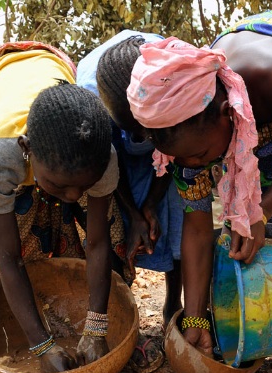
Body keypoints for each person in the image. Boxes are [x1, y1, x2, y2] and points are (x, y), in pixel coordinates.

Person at [128, 9, 272, 373]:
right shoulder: (184, 133)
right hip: (242, 116)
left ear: (228, 112)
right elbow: (195, 225)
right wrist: (195, 320)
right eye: (184, 158)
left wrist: (260, 211)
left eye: (198, 154)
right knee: (239, 220)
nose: (195, 163)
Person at [0, 42, 160, 373]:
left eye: (84, 185)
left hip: (52, 70)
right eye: (59, 185)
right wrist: (41, 347)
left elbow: (96, 244)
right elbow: (8, 258)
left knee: (109, 232)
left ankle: (117, 327)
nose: (74, 195)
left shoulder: (101, 158)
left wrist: (96, 329)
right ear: (28, 151)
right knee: (9, 248)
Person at [77, 30, 184, 329]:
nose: (143, 138)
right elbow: (107, 164)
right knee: (114, 223)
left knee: (178, 217)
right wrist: (135, 214)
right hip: (110, 150)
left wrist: (152, 202)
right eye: (136, 131)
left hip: (168, 136)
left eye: (147, 131)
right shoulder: (91, 103)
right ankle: (120, 307)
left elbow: (177, 151)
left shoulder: (172, 84)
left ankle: (172, 305)